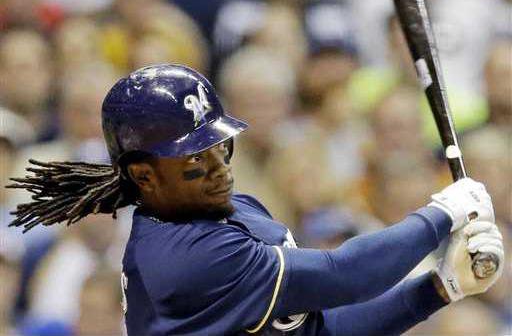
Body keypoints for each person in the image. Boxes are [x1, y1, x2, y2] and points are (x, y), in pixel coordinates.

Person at [8, 64, 504, 335]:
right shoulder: (180, 256)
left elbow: (320, 332)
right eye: (195, 159)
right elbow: (344, 276)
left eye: (219, 147)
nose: (220, 167)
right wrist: (440, 215)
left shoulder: (237, 211)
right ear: (145, 175)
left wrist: (438, 289)